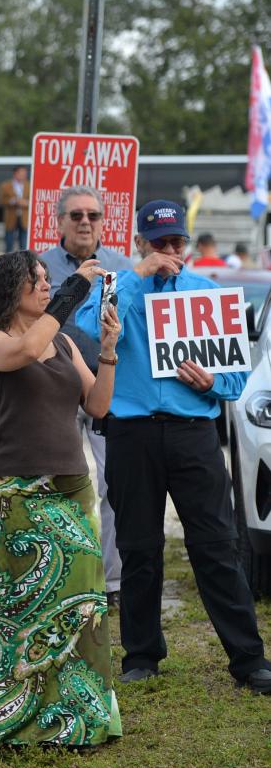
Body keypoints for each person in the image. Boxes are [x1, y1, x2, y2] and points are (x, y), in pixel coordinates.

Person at [75, 200, 271, 693]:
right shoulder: (121, 287)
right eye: (158, 242)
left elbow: (235, 378)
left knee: (217, 546)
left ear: (187, 242)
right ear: (140, 242)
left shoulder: (206, 293)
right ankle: (141, 654)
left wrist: (211, 382)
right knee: (138, 546)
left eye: (176, 242)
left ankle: (249, 659)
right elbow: (83, 317)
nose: (169, 251)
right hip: (131, 431)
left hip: (193, 434)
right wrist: (138, 273)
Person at [0, 249, 122, 748]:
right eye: (37, 280)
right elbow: (28, 350)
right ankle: (17, 725)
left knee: (81, 608)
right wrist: (76, 287)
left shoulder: (66, 345)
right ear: (11, 289)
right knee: (18, 610)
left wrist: (109, 350)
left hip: (71, 484)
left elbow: (98, 405)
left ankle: (79, 719)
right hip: (16, 488)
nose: (46, 286)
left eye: (48, 280)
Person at [39, 185, 134, 604]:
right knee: (53, 482)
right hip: (51, 386)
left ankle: (112, 582)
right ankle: (57, 574)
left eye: (93, 216)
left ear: (102, 222)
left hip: (105, 382)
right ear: (59, 221)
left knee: (113, 481)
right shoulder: (38, 266)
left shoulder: (124, 267)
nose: (84, 222)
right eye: (75, 215)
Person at [0, 166, 29, 252]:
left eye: (25, 173)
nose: (24, 175)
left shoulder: (29, 185)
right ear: (15, 174)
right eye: (21, 173)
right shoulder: (5, 185)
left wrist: (26, 202)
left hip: (25, 218)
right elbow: (2, 200)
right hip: (11, 218)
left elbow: (35, 199)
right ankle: (7, 263)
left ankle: (23, 262)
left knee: (24, 244)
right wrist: (13, 201)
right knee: (9, 243)